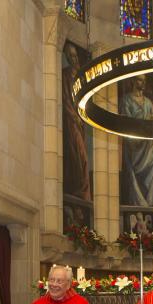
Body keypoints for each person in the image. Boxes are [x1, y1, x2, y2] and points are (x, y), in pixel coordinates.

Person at [120, 74, 153, 207]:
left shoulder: (148, 102)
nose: (142, 83)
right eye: (139, 80)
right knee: (134, 179)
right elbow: (125, 123)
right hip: (134, 147)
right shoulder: (126, 100)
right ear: (133, 81)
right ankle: (138, 204)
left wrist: (152, 121)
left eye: (144, 80)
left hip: (148, 146)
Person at [62, 41, 91, 202]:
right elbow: (66, 100)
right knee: (78, 156)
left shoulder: (82, 76)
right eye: (70, 56)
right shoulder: (65, 76)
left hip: (80, 122)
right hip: (71, 122)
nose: (74, 59)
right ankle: (80, 192)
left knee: (82, 158)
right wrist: (75, 117)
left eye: (75, 55)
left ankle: (84, 192)